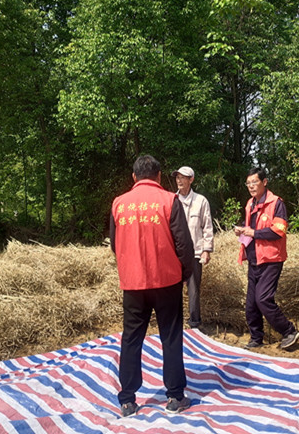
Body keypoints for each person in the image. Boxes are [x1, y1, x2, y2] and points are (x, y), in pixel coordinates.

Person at [109, 155, 195, 417]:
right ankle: (175, 396)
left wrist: (130, 265)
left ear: (134, 177)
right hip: (166, 281)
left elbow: (114, 243)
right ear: (158, 176)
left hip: (133, 283)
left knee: (131, 338)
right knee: (170, 336)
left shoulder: (119, 203)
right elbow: (184, 244)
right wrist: (184, 274)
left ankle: (127, 400)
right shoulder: (169, 200)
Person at [233, 167, 299, 351]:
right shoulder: (250, 204)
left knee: (263, 299)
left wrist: (254, 233)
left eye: (254, 182)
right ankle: (256, 338)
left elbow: (278, 231)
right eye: (248, 183)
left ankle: (289, 331)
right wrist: (242, 230)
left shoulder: (276, 203)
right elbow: (250, 227)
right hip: (254, 259)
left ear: (264, 182)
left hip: (271, 259)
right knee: (250, 304)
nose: (251, 186)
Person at [171, 166, 214, 329]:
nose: (179, 180)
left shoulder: (201, 201)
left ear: (191, 180)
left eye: (183, 177)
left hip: (195, 252)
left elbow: (207, 227)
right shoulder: (171, 200)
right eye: (177, 177)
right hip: (174, 253)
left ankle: (195, 324)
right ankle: (174, 323)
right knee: (173, 289)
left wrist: (206, 250)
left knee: (194, 290)